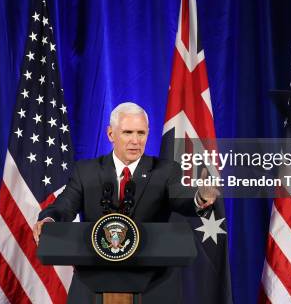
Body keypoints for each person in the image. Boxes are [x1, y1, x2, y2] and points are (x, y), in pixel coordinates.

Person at [32, 102, 219, 303]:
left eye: (141, 133)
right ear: (111, 134)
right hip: (92, 282)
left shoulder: (165, 171)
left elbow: (182, 198)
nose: (135, 141)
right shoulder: (86, 171)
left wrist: (200, 197)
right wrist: (49, 220)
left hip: (153, 284)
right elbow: (65, 205)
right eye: (128, 132)